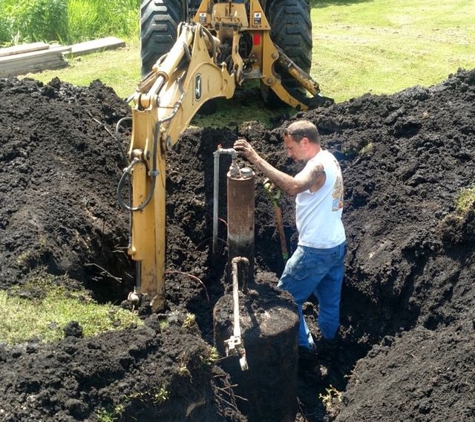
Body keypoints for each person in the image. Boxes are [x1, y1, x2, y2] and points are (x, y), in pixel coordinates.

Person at [233, 120, 346, 359]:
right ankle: (330, 344)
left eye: (290, 148)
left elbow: (294, 187)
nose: (289, 153)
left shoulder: (317, 167)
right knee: (329, 302)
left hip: (315, 250)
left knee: (285, 299)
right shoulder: (330, 159)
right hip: (336, 245)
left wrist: (255, 158)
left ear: (305, 141)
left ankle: (306, 352)